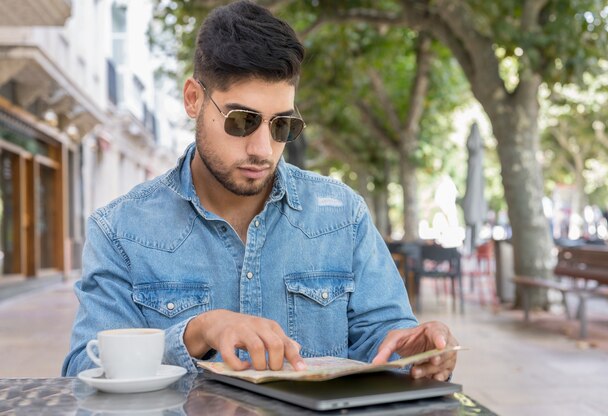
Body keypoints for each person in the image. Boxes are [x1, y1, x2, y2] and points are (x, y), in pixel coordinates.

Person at [62, 0, 458, 381]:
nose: (262, 149)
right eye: (241, 121)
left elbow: (383, 336)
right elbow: (84, 371)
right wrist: (196, 333)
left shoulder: (342, 214)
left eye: (281, 125)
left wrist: (414, 350)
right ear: (193, 99)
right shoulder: (120, 230)